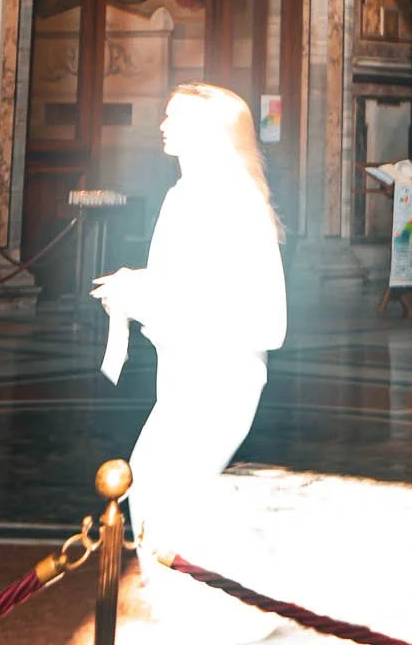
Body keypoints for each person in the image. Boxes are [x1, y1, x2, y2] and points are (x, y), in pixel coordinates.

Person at [93, 84, 286, 640]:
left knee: (161, 496)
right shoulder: (186, 194)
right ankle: (204, 619)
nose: (163, 123)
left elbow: (266, 319)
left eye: (177, 116)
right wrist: (138, 287)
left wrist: (150, 300)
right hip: (182, 376)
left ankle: (224, 620)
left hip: (222, 380)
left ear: (213, 130)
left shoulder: (236, 198)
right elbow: (187, 283)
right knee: (156, 495)